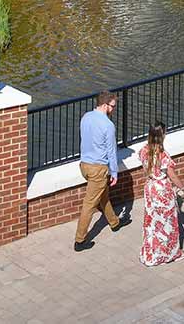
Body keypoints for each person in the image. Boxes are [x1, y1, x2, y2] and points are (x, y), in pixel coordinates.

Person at [73, 91, 127, 252]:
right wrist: (115, 173)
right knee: (89, 204)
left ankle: (114, 222)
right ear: (105, 105)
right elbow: (111, 151)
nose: (114, 109)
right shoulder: (108, 125)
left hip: (85, 165)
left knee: (103, 195)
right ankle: (79, 240)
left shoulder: (86, 117)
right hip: (98, 168)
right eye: (113, 106)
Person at [136, 122, 184, 266]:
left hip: (150, 188)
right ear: (162, 135)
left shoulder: (143, 151)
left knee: (152, 223)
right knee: (167, 224)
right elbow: (172, 176)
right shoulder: (163, 156)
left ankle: (150, 254)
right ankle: (170, 254)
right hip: (162, 190)